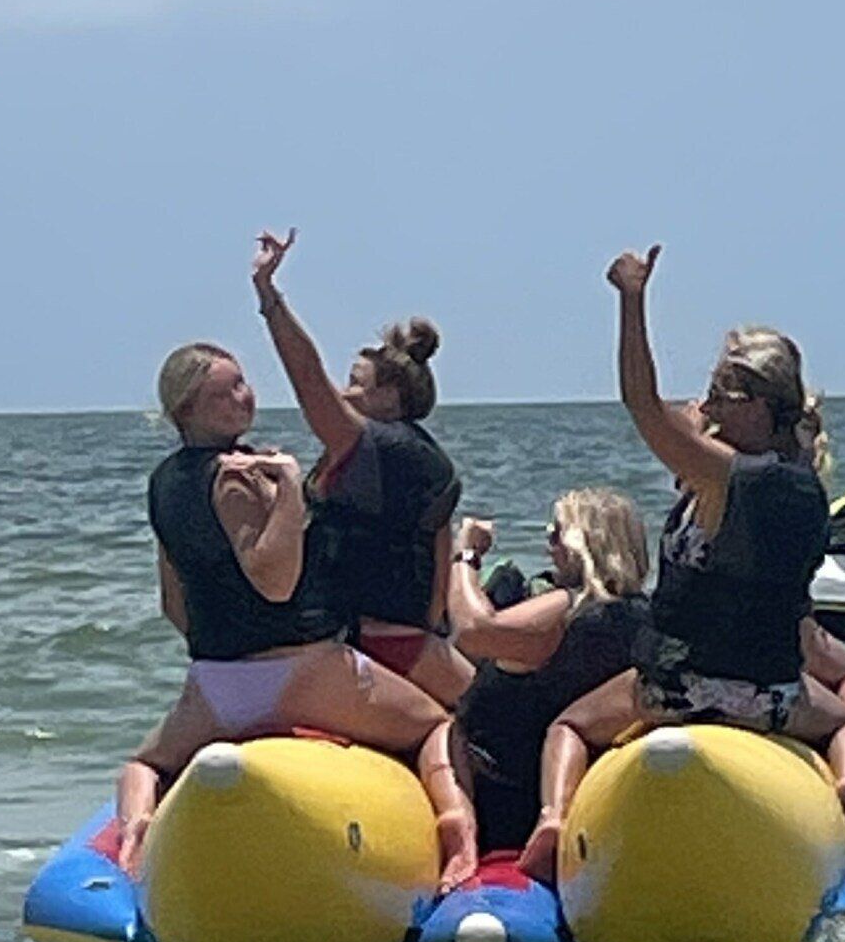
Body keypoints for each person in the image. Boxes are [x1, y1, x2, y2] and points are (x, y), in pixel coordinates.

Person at [525, 247, 845, 870]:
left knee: (570, 728)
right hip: (769, 695)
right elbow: (667, 416)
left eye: (724, 395)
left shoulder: (731, 481)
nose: (709, 407)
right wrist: (698, 417)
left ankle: (554, 821)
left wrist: (632, 302)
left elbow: (643, 406)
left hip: (674, 690)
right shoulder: (795, 483)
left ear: (763, 408)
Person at [113, 340, 477, 891]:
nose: (245, 394)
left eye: (243, 383)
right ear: (188, 406)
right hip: (306, 671)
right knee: (436, 726)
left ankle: (138, 830)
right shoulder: (239, 476)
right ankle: (458, 829)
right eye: (227, 390)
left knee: (145, 764)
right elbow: (276, 582)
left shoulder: (163, 483)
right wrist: (287, 487)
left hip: (217, 682)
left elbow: (173, 604)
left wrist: (231, 648)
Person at [250, 230, 472, 706]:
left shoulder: (394, 450)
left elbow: (308, 380)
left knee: (489, 715)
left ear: (390, 398)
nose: (342, 393)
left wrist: (269, 296)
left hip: (386, 643)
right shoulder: (371, 457)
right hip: (349, 635)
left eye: (354, 384)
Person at [446, 489, 651, 857]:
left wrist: (467, 555)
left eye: (555, 532)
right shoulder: (641, 619)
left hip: (500, 797)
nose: (547, 542)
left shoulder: (562, 611)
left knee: (436, 724)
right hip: (572, 787)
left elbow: (474, 629)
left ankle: (457, 838)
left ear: (582, 544)